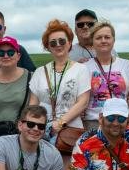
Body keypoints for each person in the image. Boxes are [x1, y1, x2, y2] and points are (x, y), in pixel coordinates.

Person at [28, 19, 90, 153]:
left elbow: (83, 102)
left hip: (70, 130)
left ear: (69, 43)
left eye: (62, 41)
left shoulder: (81, 69)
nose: (58, 45)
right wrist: (34, 126)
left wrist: (61, 122)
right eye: (53, 43)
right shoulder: (39, 72)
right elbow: (33, 105)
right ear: (48, 47)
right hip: (42, 130)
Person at [83, 20, 129, 132]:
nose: (103, 41)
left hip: (121, 123)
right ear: (92, 42)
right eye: (98, 38)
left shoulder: (125, 64)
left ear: (113, 40)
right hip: (93, 124)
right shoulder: (84, 67)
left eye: (107, 37)